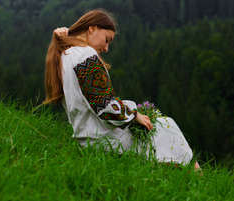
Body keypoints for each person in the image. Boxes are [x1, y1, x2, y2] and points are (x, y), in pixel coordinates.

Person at [44, 9, 200, 169]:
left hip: (86, 137)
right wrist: (134, 116)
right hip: (103, 139)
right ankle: (196, 175)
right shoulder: (86, 56)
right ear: (92, 28)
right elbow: (104, 106)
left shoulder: (65, 56)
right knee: (167, 125)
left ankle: (177, 172)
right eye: (107, 40)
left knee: (163, 130)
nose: (106, 48)